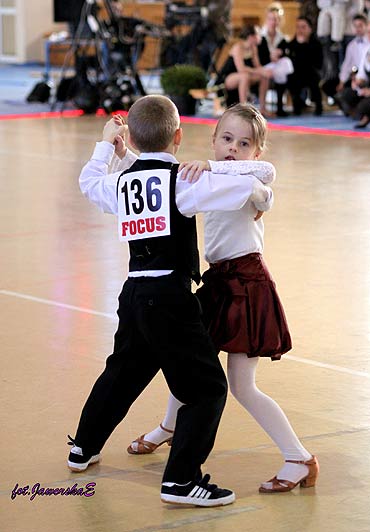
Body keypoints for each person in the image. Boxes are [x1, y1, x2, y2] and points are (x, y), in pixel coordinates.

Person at [67, 95, 272, 507]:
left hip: (133, 295)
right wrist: (250, 188)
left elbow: (90, 182)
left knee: (123, 373)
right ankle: (180, 481)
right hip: (170, 299)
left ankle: (83, 447)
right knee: (208, 389)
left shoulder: (124, 182)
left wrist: (109, 146)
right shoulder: (184, 180)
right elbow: (259, 176)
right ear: (179, 136)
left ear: (134, 139)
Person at [125, 103, 320, 494]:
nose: (233, 148)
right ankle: (169, 427)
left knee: (242, 387)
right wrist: (125, 154)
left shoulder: (246, 178)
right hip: (218, 284)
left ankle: (298, 458)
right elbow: (157, 175)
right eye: (227, 139)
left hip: (247, 286)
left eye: (244, 143)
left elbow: (265, 184)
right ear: (213, 140)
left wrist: (217, 169)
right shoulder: (202, 175)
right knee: (190, 364)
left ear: (256, 152)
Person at [214, 25, 274, 117]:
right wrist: (259, 71)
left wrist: (265, 71)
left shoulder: (253, 48)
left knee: (263, 76)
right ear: (251, 37)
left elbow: (257, 66)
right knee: (244, 76)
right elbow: (241, 69)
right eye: (258, 35)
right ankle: (244, 109)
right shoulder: (238, 47)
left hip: (244, 75)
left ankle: (263, 108)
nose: (260, 37)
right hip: (228, 78)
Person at [282, 16, 324, 115]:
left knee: (312, 77)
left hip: (312, 72)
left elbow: (318, 63)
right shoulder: (292, 44)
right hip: (297, 74)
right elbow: (290, 62)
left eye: (303, 27)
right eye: (298, 27)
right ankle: (297, 105)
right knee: (291, 77)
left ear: (310, 29)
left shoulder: (316, 44)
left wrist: (304, 46)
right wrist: (298, 45)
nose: (300, 30)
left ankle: (318, 106)